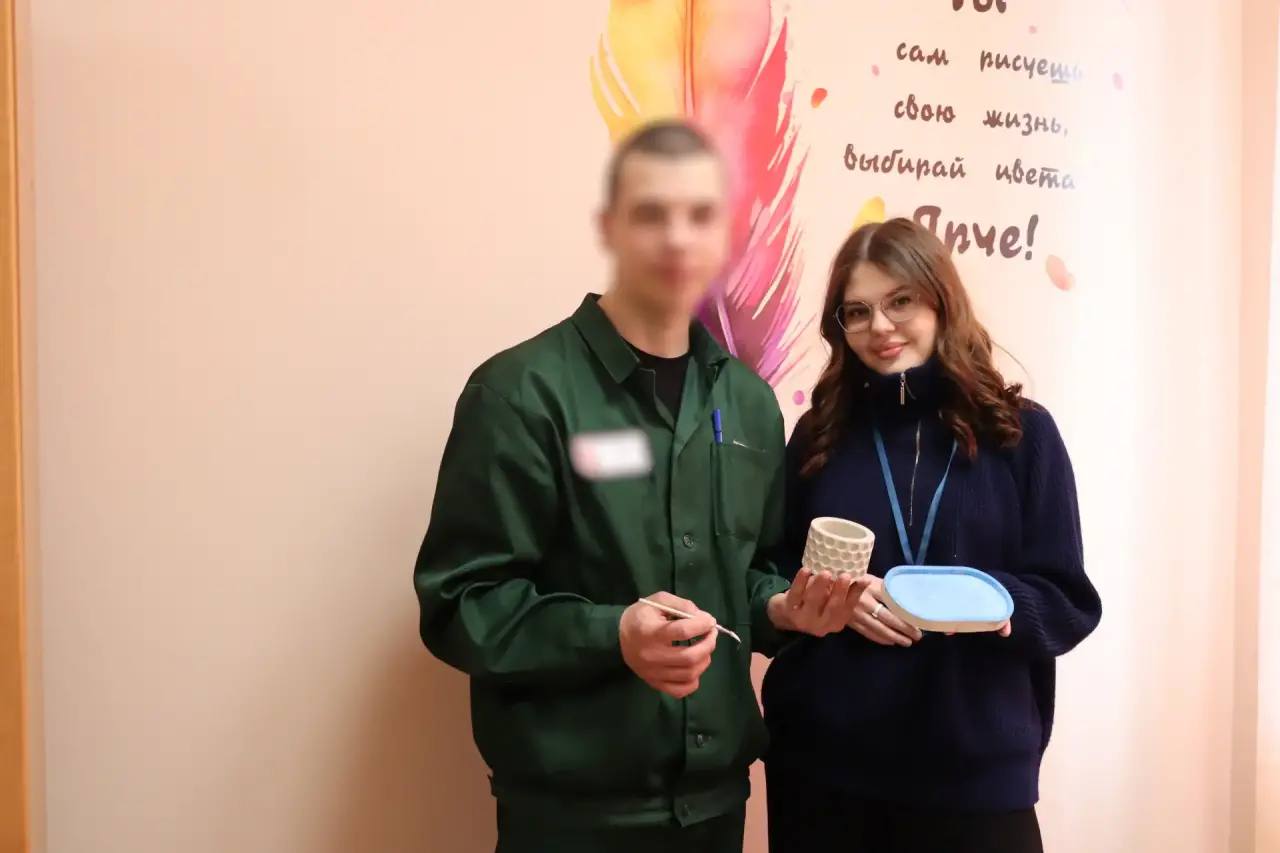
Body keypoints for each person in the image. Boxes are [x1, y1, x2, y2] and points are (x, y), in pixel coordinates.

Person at [414, 120, 863, 853]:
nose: (678, 239)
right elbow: (460, 603)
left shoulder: (750, 404)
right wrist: (612, 634)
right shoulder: (521, 394)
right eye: (652, 212)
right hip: (570, 822)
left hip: (716, 812)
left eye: (701, 216)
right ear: (610, 227)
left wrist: (782, 607)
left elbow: (750, 573)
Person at [762, 218, 1102, 853]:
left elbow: (1069, 603)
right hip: (825, 771)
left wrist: (986, 603)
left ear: (941, 300)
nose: (880, 326)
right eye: (857, 311)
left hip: (976, 778)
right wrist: (820, 603)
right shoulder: (819, 434)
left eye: (901, 301)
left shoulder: (1022, 434)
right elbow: (773, 574)